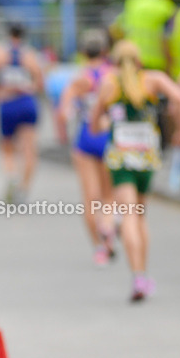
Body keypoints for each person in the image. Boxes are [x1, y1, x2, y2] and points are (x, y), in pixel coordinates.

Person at [90, 40, 180, 302]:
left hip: (121, 160)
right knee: (140, 215)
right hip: (146, 159)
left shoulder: (110, 84)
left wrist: (107, 121)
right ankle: (143, 274)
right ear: (140, 60)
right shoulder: (153, 80)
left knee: (130, 216)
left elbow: (94, 124)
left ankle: (137, 275)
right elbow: (179, 97)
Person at [57, 29, 116, 265]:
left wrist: (73, 115)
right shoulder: (113, 76)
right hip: (110, 137)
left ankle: (99, 248)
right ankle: (109, 231)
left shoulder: (79, 78)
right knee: (109, 197)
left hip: (85, 138)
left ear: (83, 52)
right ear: (105, 51)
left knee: (90, 199)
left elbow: (63, 112)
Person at [0, 24, 43, 202]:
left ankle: (12, 176)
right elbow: (39, 82)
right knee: (29, 148)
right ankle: (23, 188)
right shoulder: (30, 54)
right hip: (27, 102)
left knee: (7, 147)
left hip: (7, 103)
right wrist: (28, 87)